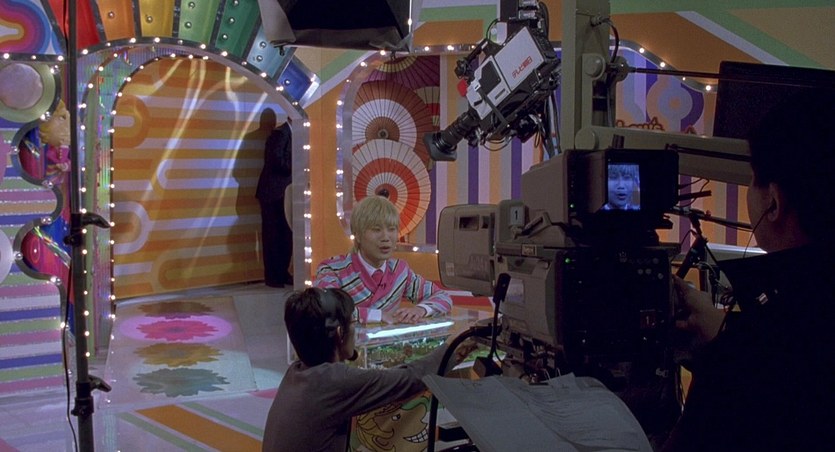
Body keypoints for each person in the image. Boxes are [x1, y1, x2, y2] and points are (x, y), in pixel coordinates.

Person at [663, 90, 835, 451]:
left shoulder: (752, 358)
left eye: (752, 177)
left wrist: (727, 352)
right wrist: (724, 334)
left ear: (773, 202)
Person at [262, 287, 469, 452]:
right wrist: (457, 345)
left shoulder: (297, 372)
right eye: (353, 323)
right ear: (339, 333)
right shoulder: (334, 381)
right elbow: (410, 378)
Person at [313, 195, 452, 324]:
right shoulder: (332, 269)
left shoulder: (400, 271)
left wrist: (420, 310)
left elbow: (443, 297)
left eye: (391, 229)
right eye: (376, 230)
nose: (386, 237)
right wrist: (378, 316)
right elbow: (326, 309)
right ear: (358, 235)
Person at [256, 109, 293, 287]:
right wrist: (300, 163)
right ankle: (273, 277)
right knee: (273, 236)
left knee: (286, 235)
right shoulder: (279, 134)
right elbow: (276, 161)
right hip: (273, 194)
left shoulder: (295, 134)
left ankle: (283, 272)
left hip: (287, 194)